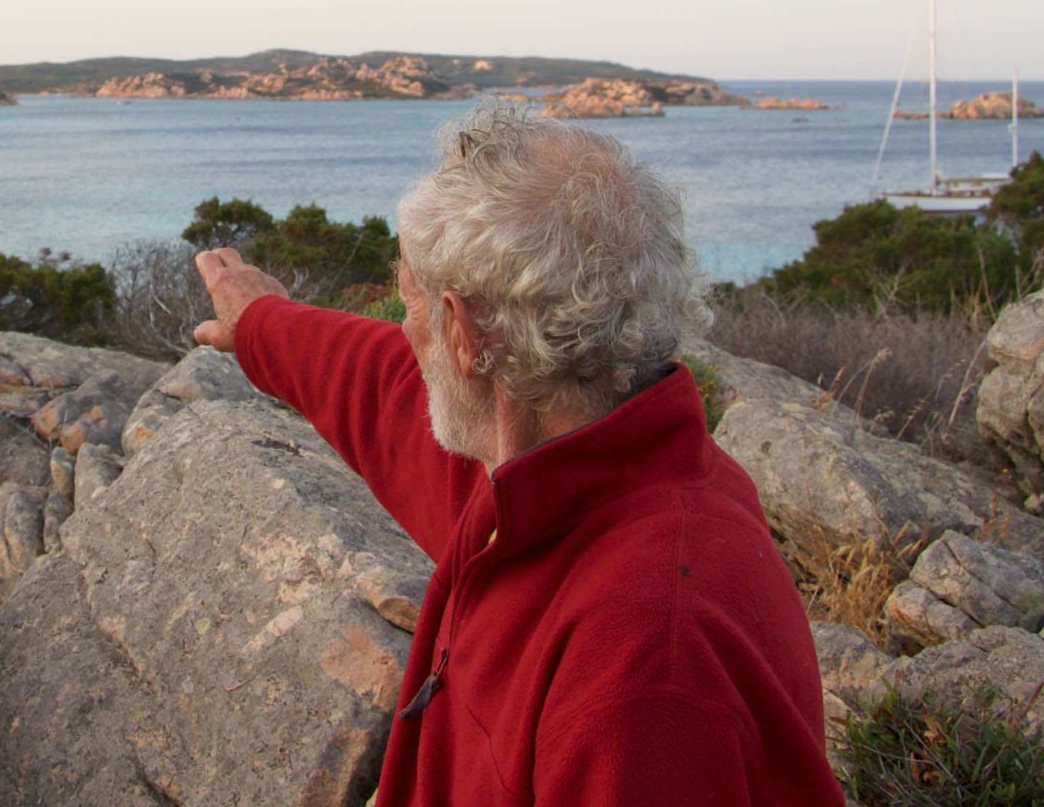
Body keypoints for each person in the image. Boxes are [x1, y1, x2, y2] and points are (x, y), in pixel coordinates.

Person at [193, 106, 845, 805]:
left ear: (464, 335)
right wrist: (265, 323)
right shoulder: (552, 473)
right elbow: (381, 390)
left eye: (410, 304)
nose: (404, 332)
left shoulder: (647, 675)